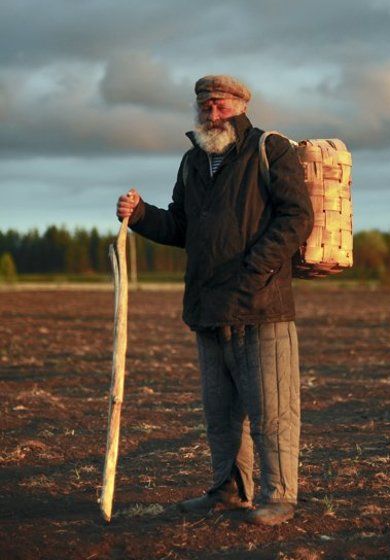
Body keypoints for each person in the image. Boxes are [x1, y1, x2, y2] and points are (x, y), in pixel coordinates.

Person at [116, 74, 314, 526]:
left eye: (220, 104)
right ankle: (230, 491)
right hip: (207, 309)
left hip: (262, 307)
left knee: (273, 411)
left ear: (241, 106)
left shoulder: (270, 149)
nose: (211, 111)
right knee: (221, 415)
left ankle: (279, 497)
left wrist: (255, 269)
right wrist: (142, 214)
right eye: (204, 104)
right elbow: (183, 228)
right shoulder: (191, 162)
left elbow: (297, 215)